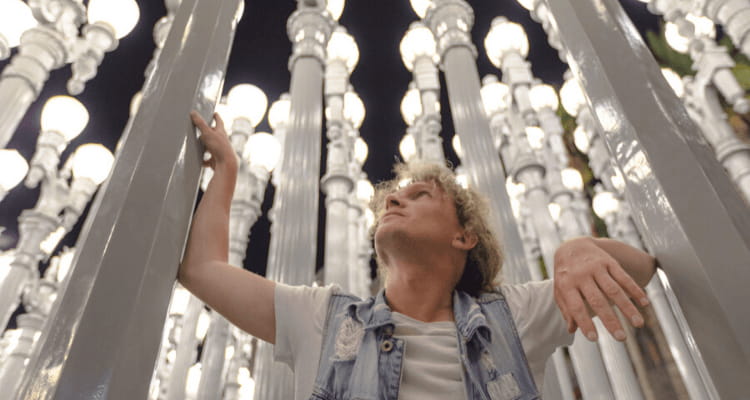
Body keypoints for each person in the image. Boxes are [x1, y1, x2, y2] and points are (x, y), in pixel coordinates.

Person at [180, 111, 657, 399]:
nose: (393, 200)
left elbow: (646, 267)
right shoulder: (323, 318)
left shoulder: (515, 315)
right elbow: (201, 270)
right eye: (393, 196)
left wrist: (580, 248)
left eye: (420, 196)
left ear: (464, 236)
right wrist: (226, 169)